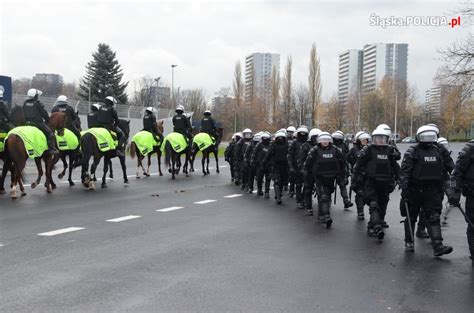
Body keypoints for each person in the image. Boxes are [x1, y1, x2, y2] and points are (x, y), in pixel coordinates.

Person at [400, 125, 454, 256]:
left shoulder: (439, 150)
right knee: (410, 217)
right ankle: (409, 242)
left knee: (434, 217)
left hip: (433, 190)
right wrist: (405, 190)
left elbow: (450, 166)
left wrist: (453, 185)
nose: (428, 139)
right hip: (414, 190)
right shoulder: (412, 151)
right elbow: (405, 172)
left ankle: (438, 245)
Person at [352, 128, 400, 240]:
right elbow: (358, 166)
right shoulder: (368, 150)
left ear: (387, 139)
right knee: (373, 204)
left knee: (383, 203)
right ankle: (375, 227)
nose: (380, 140)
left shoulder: (390, 150)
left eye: (383, 138)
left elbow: (395, 166)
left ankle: (377, 223)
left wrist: (399, 179)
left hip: (386, 182)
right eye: (378, 138)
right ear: (374, 139)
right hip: (371, 181)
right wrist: (354, 182)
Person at [304, 131, 346, 227]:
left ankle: (321, 215)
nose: (325, 142)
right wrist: (307, 176)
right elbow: (307, 164)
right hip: (319, 177)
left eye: (327, 140)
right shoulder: (315, 150)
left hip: (331, 177)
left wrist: (343, 175)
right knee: (323, 197)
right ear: (319, 141)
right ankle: (327, 216)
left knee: (326, 196)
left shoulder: (335, 150)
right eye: (323, 140)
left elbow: (342, 162)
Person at [450, 139, 474, 261]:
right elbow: (456, 174)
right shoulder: (469, 149)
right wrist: (454, 194)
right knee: (473, 225)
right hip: (473, 195)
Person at [23, 88, 58, 154]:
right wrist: (48, 119)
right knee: (50, 134)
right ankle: (51, 149)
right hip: (37, 124)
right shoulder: (38, 103)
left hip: (27, 123)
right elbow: (44, 113)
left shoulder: (25, 103)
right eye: (37, 95)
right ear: (35, 96)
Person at [347, 131, 371, 220]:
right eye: (363, 140)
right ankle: (360, 211)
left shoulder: (370, 149)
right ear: (358, 140)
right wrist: (352, 165)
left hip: (369, 175)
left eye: (367, 140)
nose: (365, 142)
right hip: (358, 174)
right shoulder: (354, 149)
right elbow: (347, 158)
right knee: (360, 193)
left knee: (369, 194)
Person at [262, 131, 289, 204]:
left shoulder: (287, 145)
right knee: (277, 181)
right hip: (275, 166)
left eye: (282, 138)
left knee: (283, 181)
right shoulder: (273, 145)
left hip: (284, 166)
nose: (280, 140)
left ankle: (279, 194)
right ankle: (278, 196)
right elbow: (268, 154)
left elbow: (290, 154)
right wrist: (264, 163)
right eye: (279, 138)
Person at [300, 128, 321, 216]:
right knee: (308, 188)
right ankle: (309, 207)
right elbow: (301, 159)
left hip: (319, 171)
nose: (317, 139)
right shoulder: (305, 146)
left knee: (321, 190)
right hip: (309, 171)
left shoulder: (323, 147)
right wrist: (303, 169)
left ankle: (322, 209)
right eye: (315, 137)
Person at [288, 126, 309, 209]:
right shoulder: (294, 143)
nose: (302, 136)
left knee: (307, 185)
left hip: (306, 168)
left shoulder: (308, 144)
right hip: (297, 167)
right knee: (299, 185)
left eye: (304, 134)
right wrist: (291, 166)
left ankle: (304, 199)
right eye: (301, 134)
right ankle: (299, 201)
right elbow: (290, 155)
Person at [332, 130, 353, 209]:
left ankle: (346, 200)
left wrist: (348, 167)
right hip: (331, 168)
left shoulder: (344, 145)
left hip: (341, 168)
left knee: (342, 184)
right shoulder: (330, 145)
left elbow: (348, 156)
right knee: (328, 185)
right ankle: (327, 200)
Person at [251, 132, 272, 198]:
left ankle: (267, 192)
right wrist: (253, 162)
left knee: (268, 179)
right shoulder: (259, 145)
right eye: (264, 139)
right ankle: (259, 190)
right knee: (259, 179)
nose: (265, 140)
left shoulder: (271, 146)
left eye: (266, 139)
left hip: (268, 165)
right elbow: (254, 153)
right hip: (259, 165)